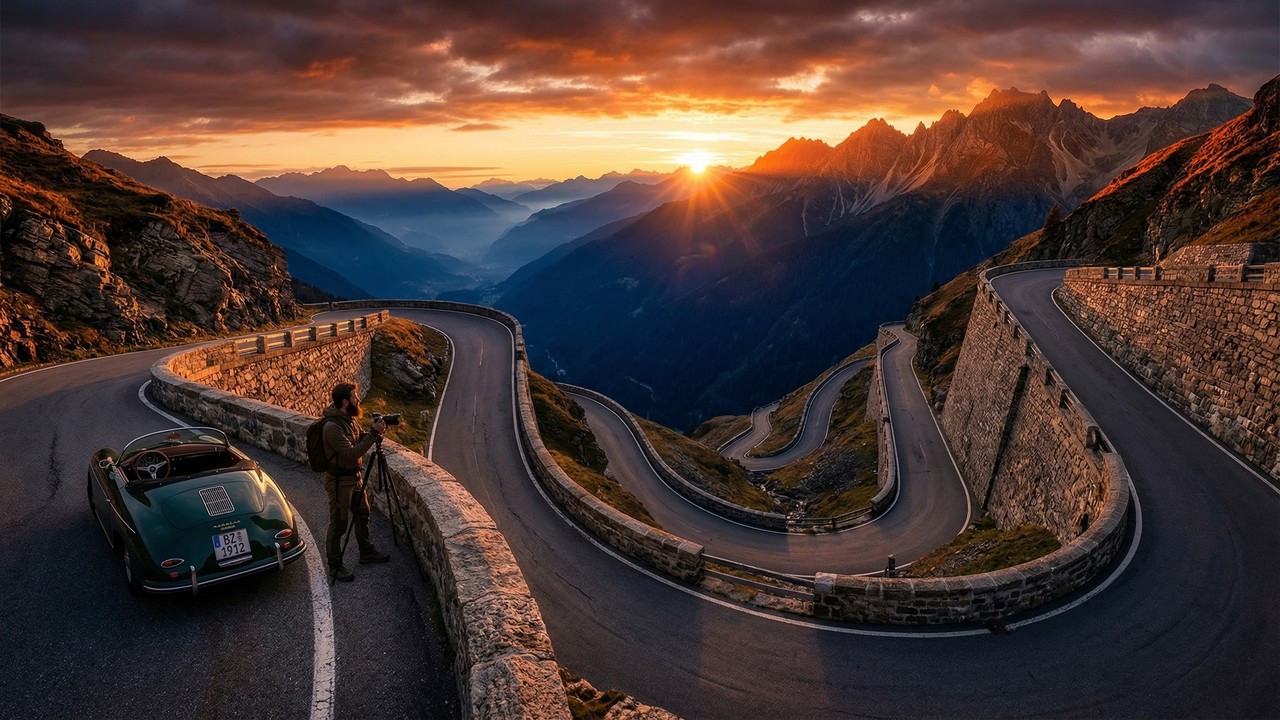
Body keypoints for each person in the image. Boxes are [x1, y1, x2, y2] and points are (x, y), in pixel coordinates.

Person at [321, 381, 391, 581]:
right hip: (339, 482)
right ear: (345, 402)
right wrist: (373, 435)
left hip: (354, 477)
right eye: (354, 396)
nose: (358, 399)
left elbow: (358, 438)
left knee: (363, 514)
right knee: (339, 525)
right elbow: (350, 453)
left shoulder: (349, 419)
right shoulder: (332, 427)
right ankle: (335, 566)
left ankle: (366, 552)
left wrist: (372, 434)